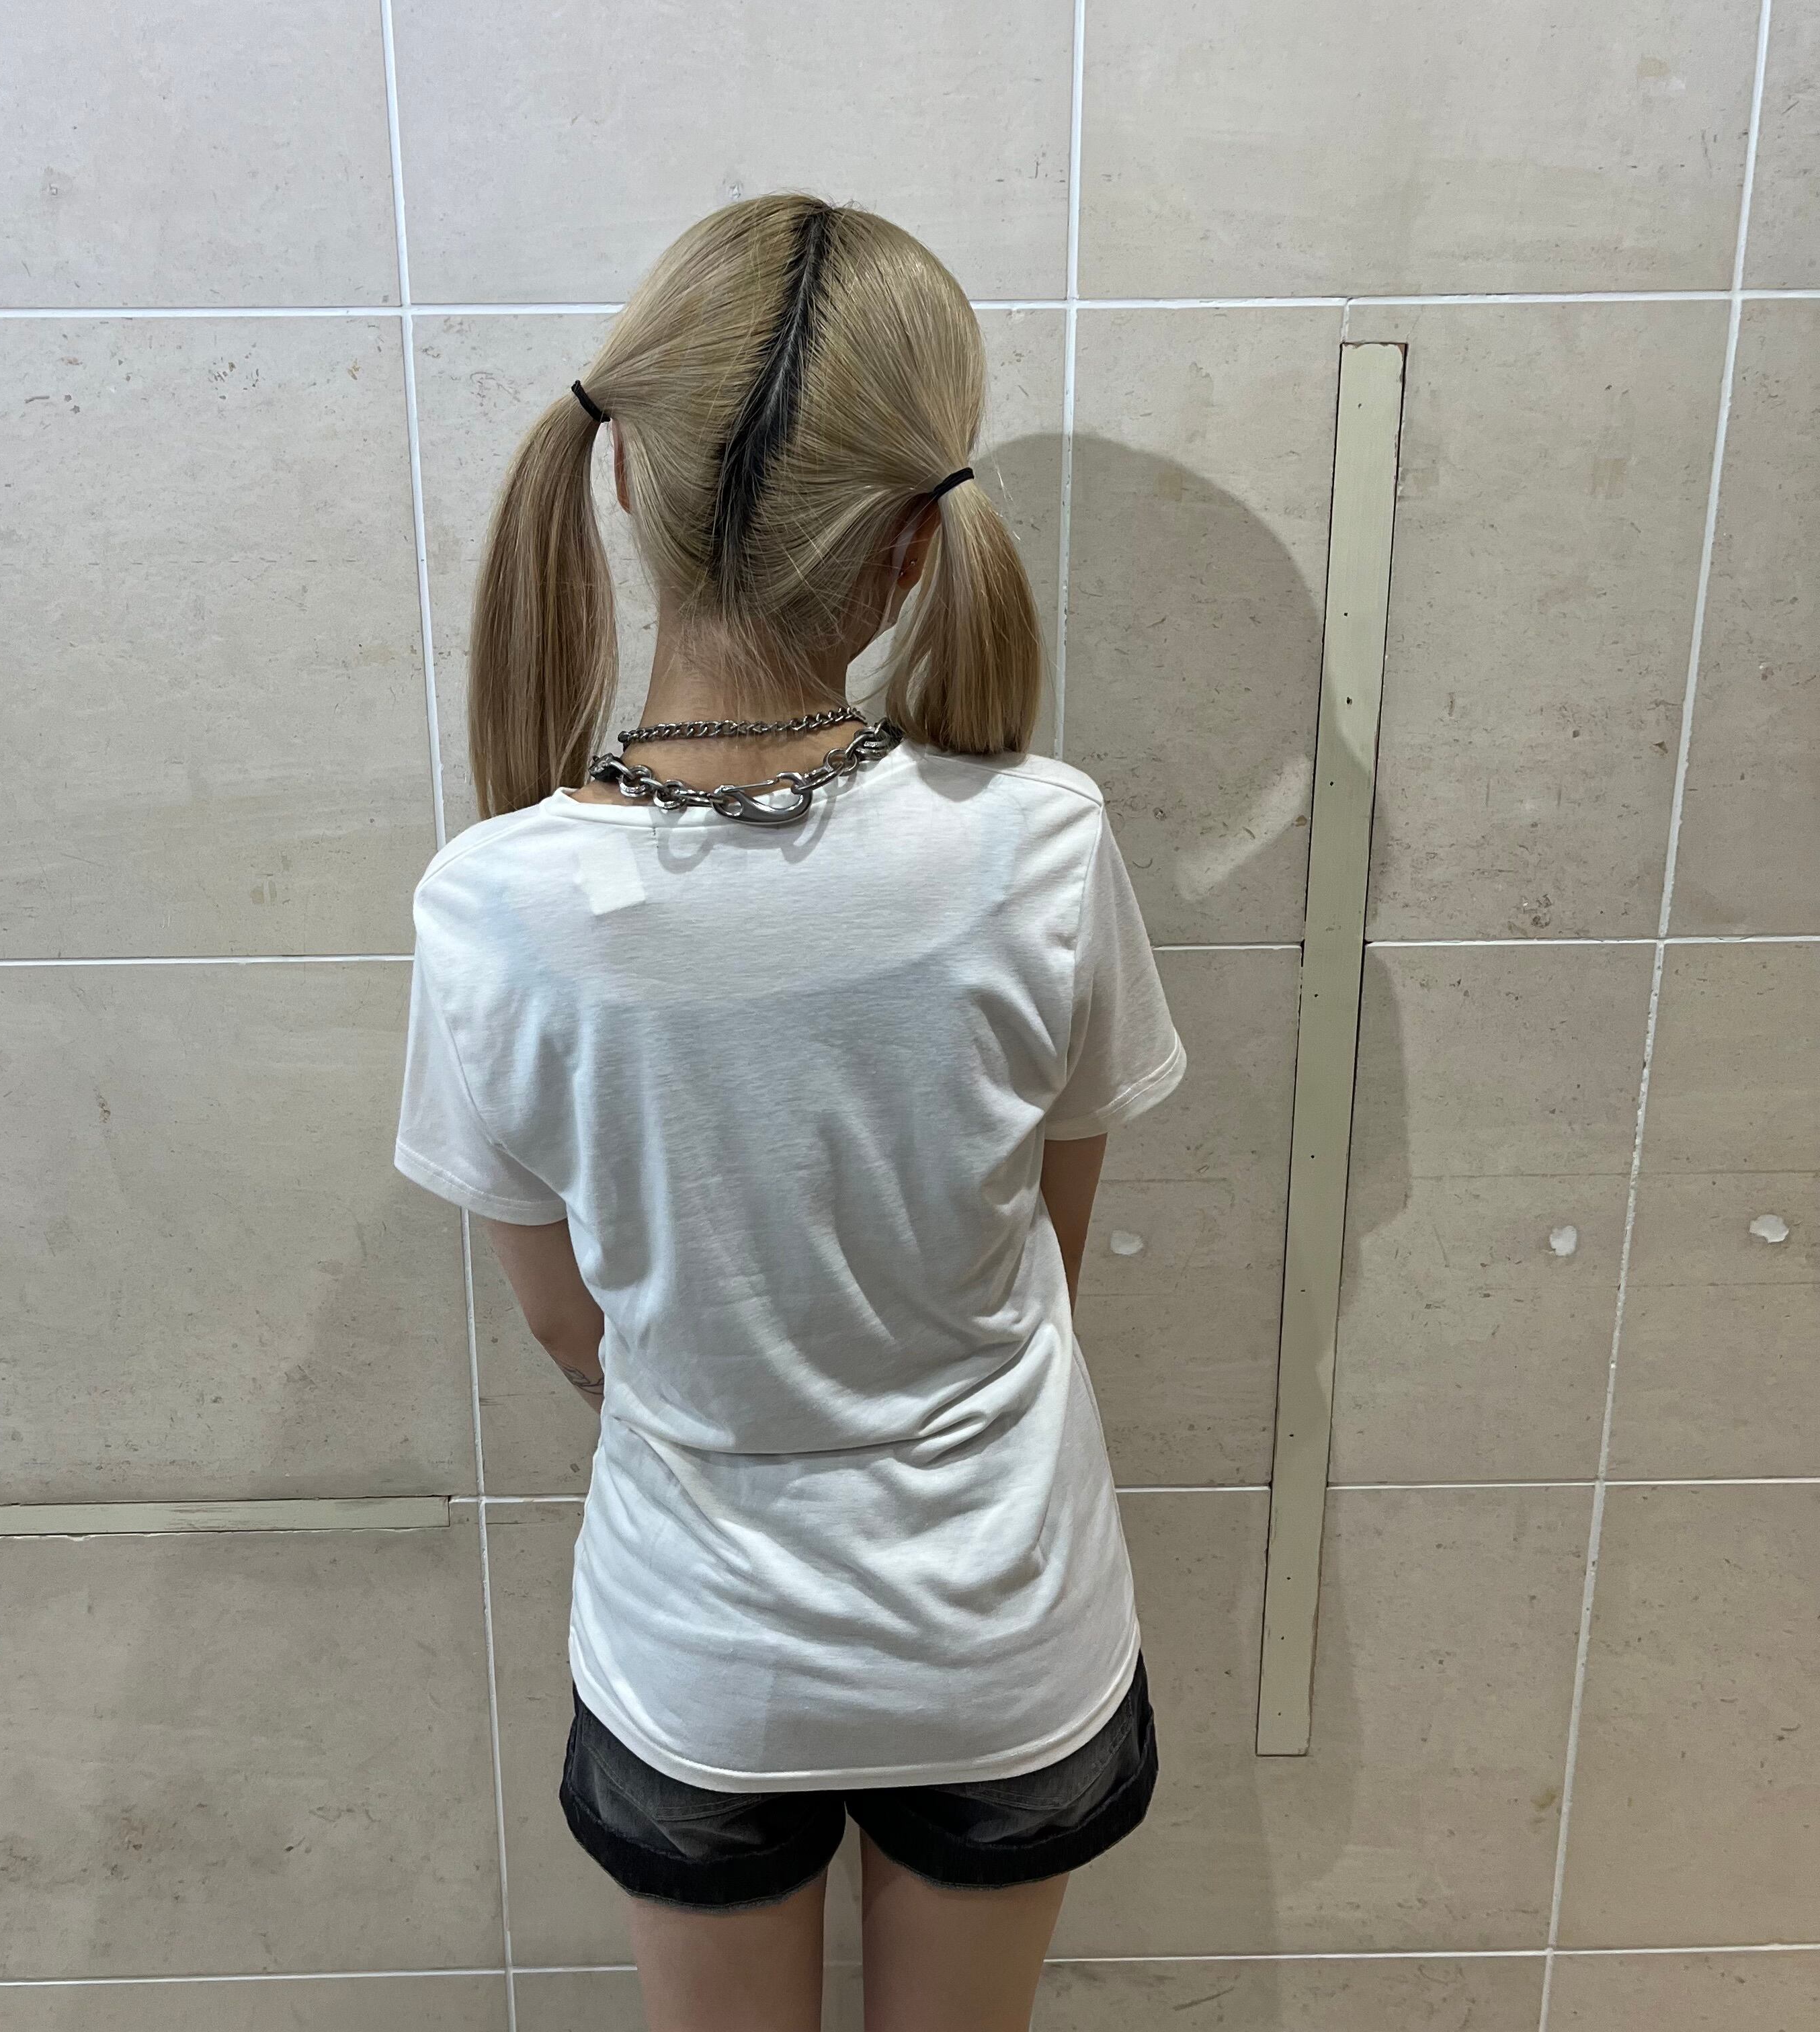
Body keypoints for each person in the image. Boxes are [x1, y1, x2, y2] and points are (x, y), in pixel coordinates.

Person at [395, 194, 1187, 2032]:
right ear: (914, 545)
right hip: (1002, 1632)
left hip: (703, 1655)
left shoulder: (492, 905)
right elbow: (1046, 1257)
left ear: (623, 484)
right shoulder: (1042, 843)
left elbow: (569, 1326)